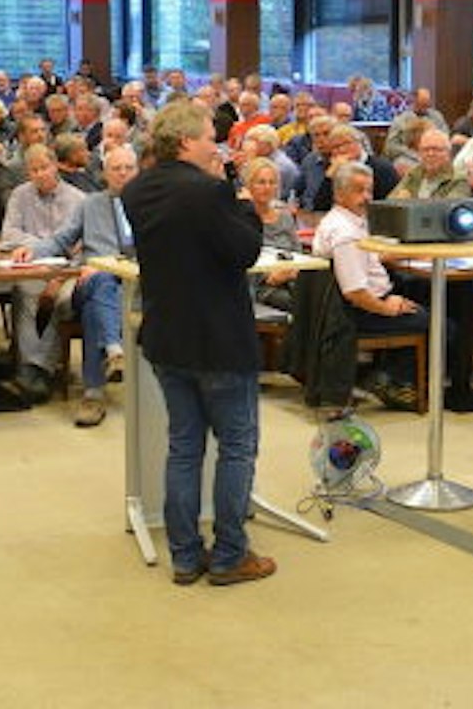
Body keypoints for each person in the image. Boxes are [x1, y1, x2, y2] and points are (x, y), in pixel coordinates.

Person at [121, 99, 271, 587]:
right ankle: (230, 554)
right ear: (186, 141)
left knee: (184, 447)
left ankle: (185, 556)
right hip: (220, 340)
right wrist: (245, 201)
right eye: (210, 137)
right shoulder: (210, 192)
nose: (217, 145)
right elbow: (245, 251)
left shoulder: (137, 190)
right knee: (237, 448)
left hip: (168, 337)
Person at [13, 144, 140, 427]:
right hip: (89, 281)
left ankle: (94, 393)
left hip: (132, 285)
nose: (123, 174)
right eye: (116, 169)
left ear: (138, 171)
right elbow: (61, 239)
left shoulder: (152, 206)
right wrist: (31, 251)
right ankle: (113, 350)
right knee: (99, 280)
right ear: (105, 173)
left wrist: (114, 266)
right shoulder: (90, 204)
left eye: (128, 168)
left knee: (96, 306)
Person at [312, 161, 437, 411]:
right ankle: (391, 381)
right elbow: (354, 293)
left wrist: (406, 254)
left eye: (369, 190)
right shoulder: (345, 233)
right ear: (339, 194)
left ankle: (385, 376)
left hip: (364, 302)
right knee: (433, 322)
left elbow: (370, 258)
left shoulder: (348, 221)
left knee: (417, 297)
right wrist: (387, 308)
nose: (367, 197)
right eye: (359, 191)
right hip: (358, 312)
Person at [0, 144, 86, 405]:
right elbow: (9, 234)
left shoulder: (79, 199)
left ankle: (38, 369)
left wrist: (46, 249)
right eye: (34, 170)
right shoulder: (20, 195)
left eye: (44, 168)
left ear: (56, 166)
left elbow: (82, 246)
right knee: (26, 290)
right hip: (32, 266)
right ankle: (32, 368)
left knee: (58, 298)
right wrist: (45, 245)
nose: (40, 174)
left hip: (68, 270)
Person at [240, 157, 302, 314]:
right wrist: (269, 277)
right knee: (299, 304)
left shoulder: (285, 216)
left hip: (290, 279)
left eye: (272, 182)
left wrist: (291, 271)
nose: (267, 187)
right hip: (258, 287)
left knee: (318, 298)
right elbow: (241, 260)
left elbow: (298, 253)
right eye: (261, 182)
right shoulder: (241, 218)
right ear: (248, 185)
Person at [389, 128, 468, 201]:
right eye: (425, 150)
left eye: (436, 149)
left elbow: (448, 207)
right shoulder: (414, 174)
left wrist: (409, 201)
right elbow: (390, 202)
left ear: (448, 153)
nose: (430, 154)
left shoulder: (459, 179)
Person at [384, 88, 448, 165]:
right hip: (409, 157)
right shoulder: (400, 120)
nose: (425, 108)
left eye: (427, 105)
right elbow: (391, 146)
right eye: (422, 104)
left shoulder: (437, 117)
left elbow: (446, 138)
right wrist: (413, 154)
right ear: (414, 102)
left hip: (434, 154)